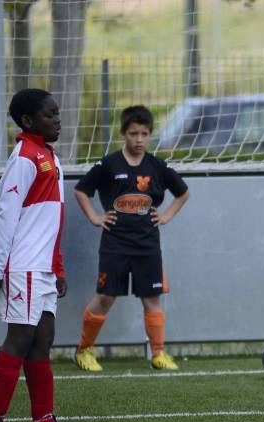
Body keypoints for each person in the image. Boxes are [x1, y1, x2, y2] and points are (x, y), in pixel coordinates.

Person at [0, 88, 85, 422]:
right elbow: (5, 215)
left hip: (43, 270)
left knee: (43, 340)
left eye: (57, 113)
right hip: (21, 266)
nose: (57, 119)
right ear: (27, 121)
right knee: (20, 339)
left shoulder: (50, 157)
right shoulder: (24, 157)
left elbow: (52, 221)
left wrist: (58, 267)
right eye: (49, 115)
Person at [74, 105, 189, 372]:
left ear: (150, 135)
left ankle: (158, 354)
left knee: (152, 298)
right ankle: (84, 350)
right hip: (114, 243)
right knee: (105, 297)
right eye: (133, 133)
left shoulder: (157, 166)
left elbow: (182, 193)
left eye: (144, 133)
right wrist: (95, 217)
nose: (139, 139)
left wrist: (166, 216)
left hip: (148, 244)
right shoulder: (109, 164)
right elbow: (82, 191)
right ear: (123, 133)